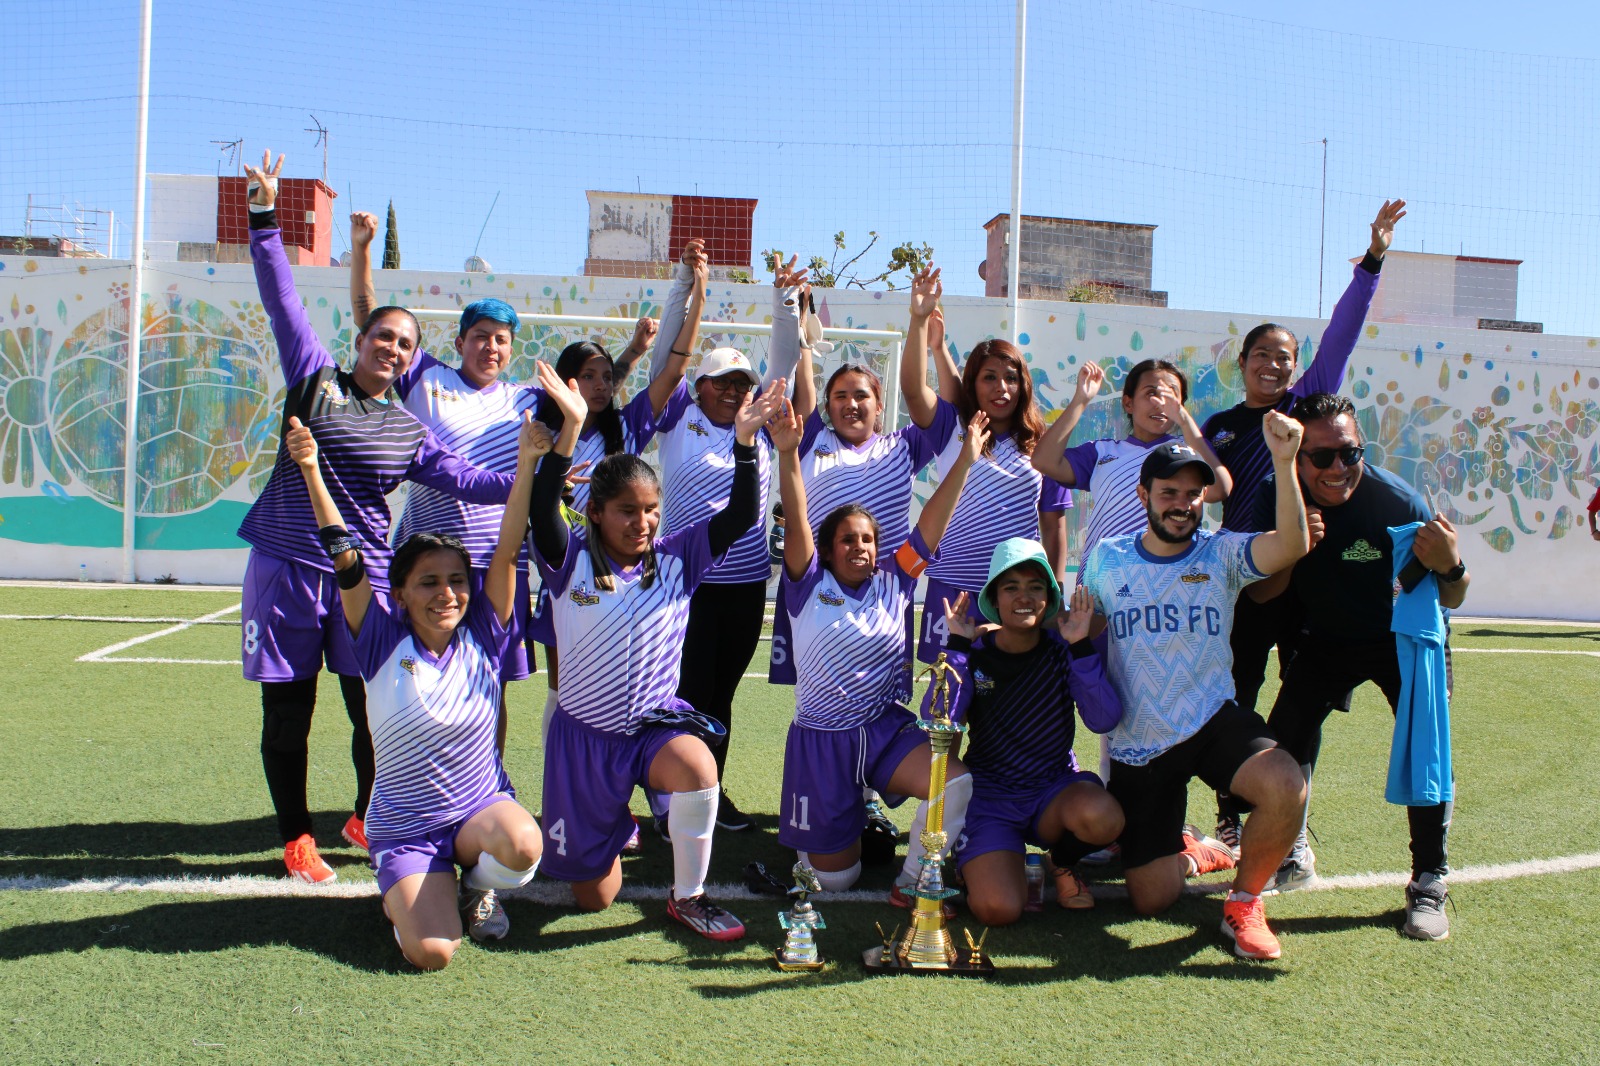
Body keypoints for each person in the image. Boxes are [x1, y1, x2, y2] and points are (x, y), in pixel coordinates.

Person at [238, 153, 515, 884]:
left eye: (405, 343)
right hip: (286, 566)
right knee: (289, 710)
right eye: (383, 336)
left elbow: (469, 478)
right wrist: (265, 216)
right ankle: (296, 835)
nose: (391, 348)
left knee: (372, 703)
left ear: (412, 360)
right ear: (361, 340)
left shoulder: (408, 430)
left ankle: (366, 813)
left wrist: (537, 477)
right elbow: (281, 298)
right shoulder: (314, 378)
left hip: (358, 577)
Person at [529, 360, 783, 940]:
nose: (641, 523)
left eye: (650, 510)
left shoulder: (677, 557)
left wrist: (745, 443)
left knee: (698, 765)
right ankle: (610, 827)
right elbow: (544, 504)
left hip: (650, 729)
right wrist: (569, 430)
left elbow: (743, 514)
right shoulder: (569, 560)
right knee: (593, 898)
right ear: (595, 512)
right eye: (626, 511)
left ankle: (689, 896)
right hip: (586, 741)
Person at [284, 411, 545, 969]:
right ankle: (411, 893)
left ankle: (477, 885)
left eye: (456, 581)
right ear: (399, 594)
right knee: (432, 954)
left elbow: (507, 547)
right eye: (428, 582)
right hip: (405, 826)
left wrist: (526, 463)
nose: (446, 594)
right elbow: (346, 557)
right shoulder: (379, 640)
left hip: (478, 808)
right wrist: (311, 469)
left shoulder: (485, 632)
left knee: (524, 845)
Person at [1202, 200, 1405, 854]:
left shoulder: (1307, 403)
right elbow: (1202, 493)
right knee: (1235, 695)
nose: (1274, 364)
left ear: (1297, 366)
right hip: (1250, 579)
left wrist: (1371, 264)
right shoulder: (1223, 427)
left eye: (1284, 356)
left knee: (1300, 705)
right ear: (1244, 361)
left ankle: (1289, 830)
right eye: (1262, 354)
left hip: (1309, 577)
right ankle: (1231, 811)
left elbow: (1344, 330)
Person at [1078, 422, 1312, 959]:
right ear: (1143, 495)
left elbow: (1294, 545)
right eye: (1169, 493)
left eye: (1192, 493)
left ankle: (1245, 904)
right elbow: (1083, 635)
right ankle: (1196, 853)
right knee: (1151, 898)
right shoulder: (1106, 560)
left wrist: (1284, 460)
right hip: (1141, 742)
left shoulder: (1222, 553)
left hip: (1211, 720)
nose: (1182, 504)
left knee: (1285, 784)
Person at [1250, 393, 1469, 940]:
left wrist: (1453, 564)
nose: (1338, 468)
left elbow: (1454, 594)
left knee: (1426, 749)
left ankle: (1429, 880)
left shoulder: (1398, 503)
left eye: (1350, 453)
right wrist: (1291, 548)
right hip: (1325, 640)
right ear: (1297, 456)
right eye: (1321, 457)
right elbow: (1261, 596)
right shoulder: (1279, 498)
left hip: (1402, 641)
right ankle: (1289, 849)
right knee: (1280, 746)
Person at [766, 260, 962, 846]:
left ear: (879, 409)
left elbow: (923, 396)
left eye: (863, 397)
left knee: (875, 694)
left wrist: (919, 320)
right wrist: (795, 312)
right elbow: (801, 382)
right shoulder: (812, 442)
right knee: (824, 697)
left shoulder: (903, 448)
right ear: (828, 407)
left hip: (882, 590)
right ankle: (832, 795)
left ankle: (871, 797)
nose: (852, 405)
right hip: (817, 591)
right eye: (841, 397)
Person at [768, 395, 984, 903]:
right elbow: (797, 517)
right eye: (846, 539)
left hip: (882, 730)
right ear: (827, 548)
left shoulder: (897, 579)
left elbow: (932, 522)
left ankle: (914, 882)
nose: (859, 547)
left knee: (957, 783)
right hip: (823, 742)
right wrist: (786, 454)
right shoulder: (806, 582)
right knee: (835, 881)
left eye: (867, 539)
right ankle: (840, 827)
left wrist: (965, 459)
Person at [646, 257, 801, 832]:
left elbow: (783, 360)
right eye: (724, 383)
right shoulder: (677, 418)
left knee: (721, 697)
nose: (736, 391)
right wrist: (688, 288)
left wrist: (786, 301)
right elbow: (667, 355)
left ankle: (711, 791)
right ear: (701, 387)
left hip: (741, 588)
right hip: (682, 587)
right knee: (680, 691)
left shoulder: (759, 425)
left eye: (743, 383)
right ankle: (669, 797)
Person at [938, 541, 1125, 926]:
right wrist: (957, 647)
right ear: (994, 597)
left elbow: (1104, 719)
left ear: (1049, 598)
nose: (1023, 597)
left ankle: (1062, 860)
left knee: (1104, 817)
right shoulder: (975, 652)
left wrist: (1081, 647)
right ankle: (975, 858)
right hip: (991, 798)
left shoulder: (1063, 648)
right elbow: (940, 722)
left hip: (1052, 791)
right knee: (998, 909)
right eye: (1011, 587)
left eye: (1035, 587)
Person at [898, 266, 1070, 665]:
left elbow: (1053, 523)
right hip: (953, 589)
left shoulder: (1042, 446)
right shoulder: (952, 428)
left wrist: (1055, 591)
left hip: (1017, 593)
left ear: (1023, 384)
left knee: (1010, 701)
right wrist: (919, 320)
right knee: (947, 704)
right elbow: (911, 389)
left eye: (1010, 378)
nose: (1001, 388)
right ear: (973, 383)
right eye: (989, 378)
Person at [1032, 358, 1232, 568]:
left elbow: (1220, 490)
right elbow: (1043, 461)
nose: (1160, 402)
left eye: (1171, 394)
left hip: (1164, 583)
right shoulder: (1101, 452)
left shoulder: (1189, 451)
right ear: (1128, 403)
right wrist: (1081, 400)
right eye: (1151, 393)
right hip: (1100, 583)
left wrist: (1184, 419)